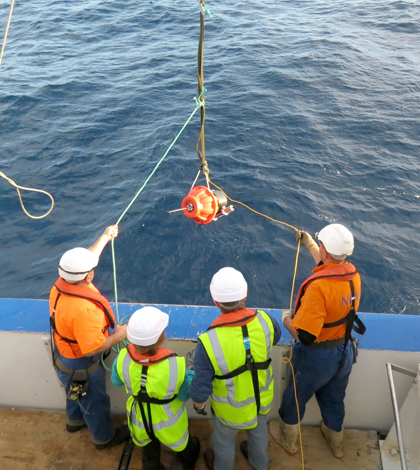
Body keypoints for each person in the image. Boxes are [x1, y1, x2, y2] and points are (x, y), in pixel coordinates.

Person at [269, 223, 365, 459]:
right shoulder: (352, 274)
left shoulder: (318, 288)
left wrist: (286, 320)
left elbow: (305, 336)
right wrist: (310, 243)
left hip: (318, 358)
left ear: (325, 250)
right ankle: (337, 443)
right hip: (345, 350)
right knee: (334, 399)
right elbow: (330, 268)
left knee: (295, 396)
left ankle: (288, 440)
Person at [190, 267, 281, 470]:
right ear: (245, 295)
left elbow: (200, 385)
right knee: (259, 437)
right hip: (261, 404)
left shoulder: (208, 341)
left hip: (228, 412)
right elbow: (275, 336)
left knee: (223, 444)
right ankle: (260, 465)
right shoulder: (266, 320)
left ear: (215, 302)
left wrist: (198, 405)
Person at [49, 225, 129, 449]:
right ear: (89, 276)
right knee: (94, 400)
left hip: (64, 356)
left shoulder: (60, 287)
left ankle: (74, 421)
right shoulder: (85, 309)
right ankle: (103, 438)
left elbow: (87, 260)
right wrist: (120, 334)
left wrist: (104, 237)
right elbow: (92, 349)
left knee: (75, 393)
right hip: (81, 364)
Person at [111, 306, 200, 470]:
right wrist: (192, 372)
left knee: (149, 448)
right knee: (185, 447)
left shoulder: (122, 357)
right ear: (161, 338)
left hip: (140, 419)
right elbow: (184, 395)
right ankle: (187, 462)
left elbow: (116, 382)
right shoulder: (176, 366)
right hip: (170, 424)